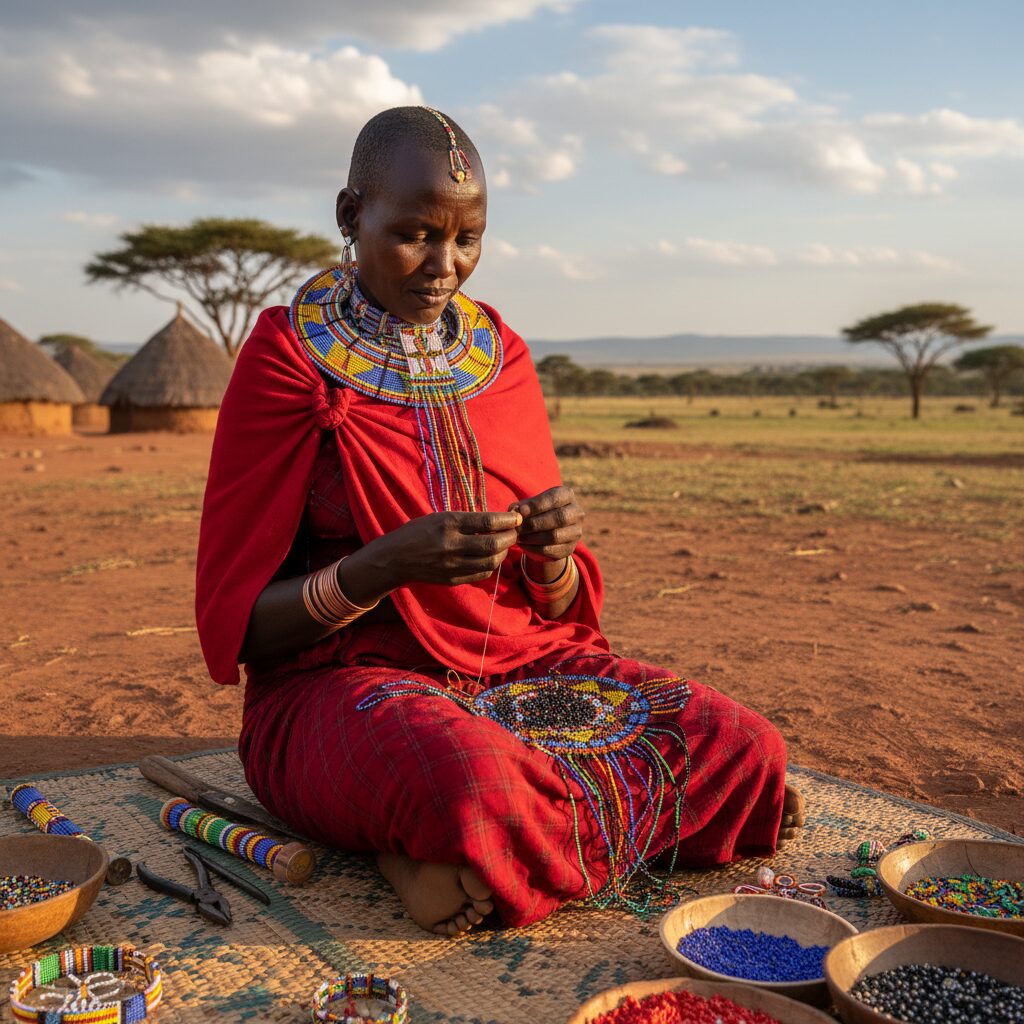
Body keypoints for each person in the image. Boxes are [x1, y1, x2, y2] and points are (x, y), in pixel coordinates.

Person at [195, 106, 803, 937]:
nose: (446, 267)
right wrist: (381, 567)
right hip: (341, 691)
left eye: (468, 239)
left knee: (743, 747)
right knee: (473, 780)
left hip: (522, 670)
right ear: (349, 216)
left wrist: (552, 554)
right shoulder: (285, 362)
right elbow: (242, 631)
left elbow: (556, 611)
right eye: (414, 234)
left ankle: (458, 849)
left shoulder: (501, 355)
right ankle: (476, 832)